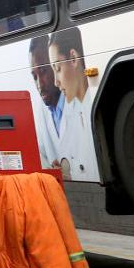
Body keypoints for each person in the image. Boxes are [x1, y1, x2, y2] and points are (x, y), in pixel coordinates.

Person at [50, 25, 96, 180]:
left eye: (57, 68)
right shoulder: (72, 113)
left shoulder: (95, 105)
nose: (55, 82)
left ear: (74, 58)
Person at [28, 35, 63, 169]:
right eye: (34, 76)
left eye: (43, 71)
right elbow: (42, 156)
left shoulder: (75, 101)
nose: (39, 84)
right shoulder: (41, 111)